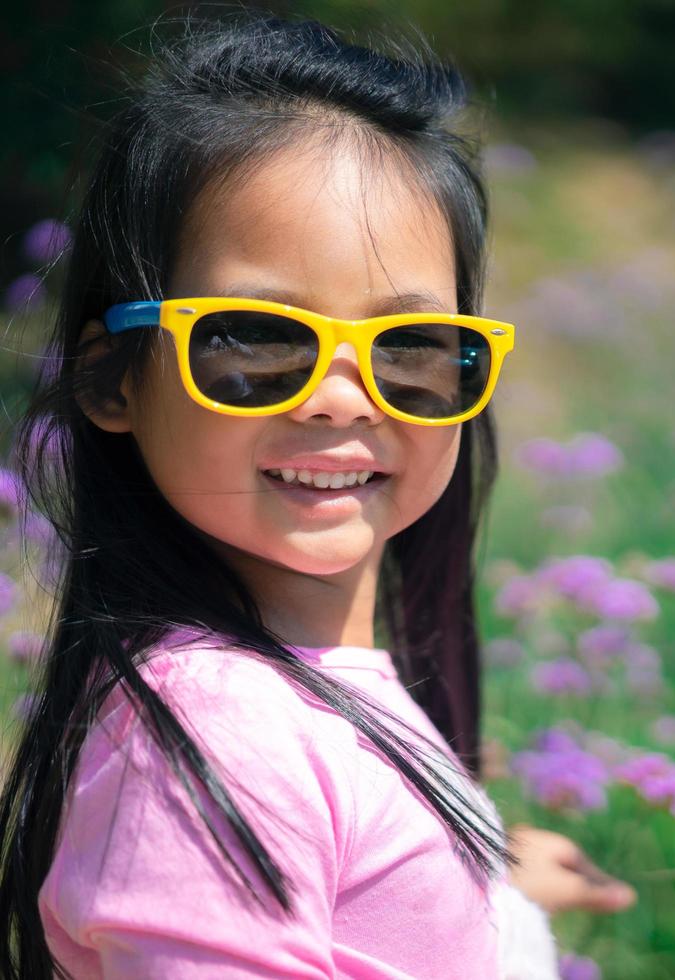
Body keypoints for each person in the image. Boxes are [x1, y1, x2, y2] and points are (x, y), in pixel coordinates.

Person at [0, 10, 633, 978]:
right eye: (254, 340)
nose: (344, 396)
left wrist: (484, 892)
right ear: (112, 379)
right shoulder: (216, 732)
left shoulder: (298, 694)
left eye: (412, 349)